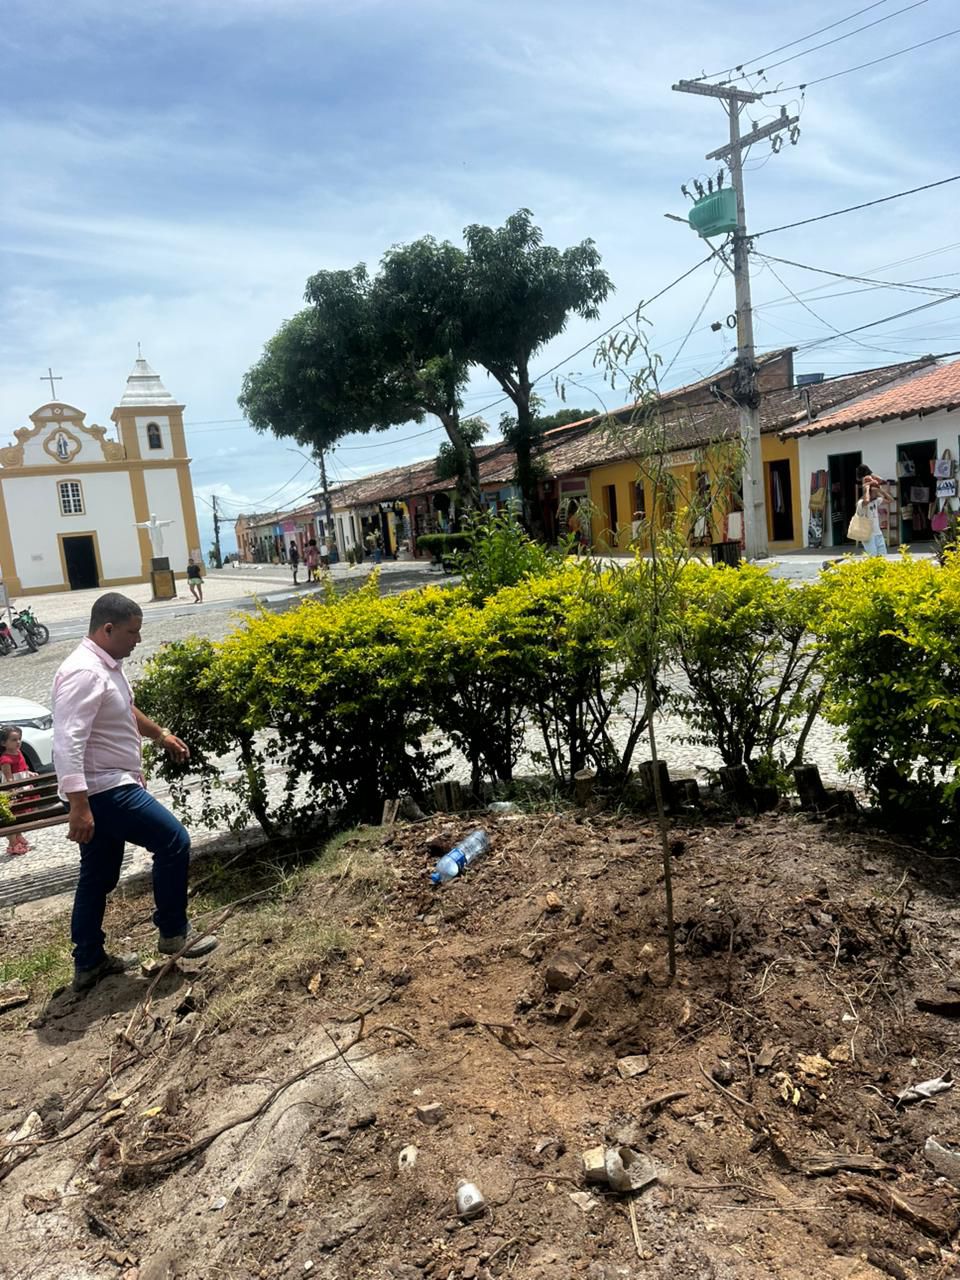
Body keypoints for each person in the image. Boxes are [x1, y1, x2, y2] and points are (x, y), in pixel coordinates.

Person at [52, 592, 218, 994]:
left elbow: (124, 708)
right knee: (172, 840)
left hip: (105, 786)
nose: (137, 640)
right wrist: (78, 805)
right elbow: (66, 741)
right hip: (104, 787)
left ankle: (89, 961)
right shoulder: (84, 672)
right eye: (132, 632)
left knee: (98, 874)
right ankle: (174, 932)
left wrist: (159, 734)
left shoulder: (106, 666)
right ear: (107, 629)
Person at [0, 725, 36, 856]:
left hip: (22, 785)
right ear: (4, 743)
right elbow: (9, 779)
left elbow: (23, 768)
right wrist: (14, 790)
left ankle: (18, 836)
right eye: (14, 740)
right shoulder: (5, 759)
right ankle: (12, 843)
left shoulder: (19, 753)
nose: (18, 742)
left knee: (20, 814)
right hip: (14, 789)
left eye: (19, 739)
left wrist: (29, 773)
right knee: (13, 816)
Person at [855, 463, 894, 557]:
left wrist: (880, 490)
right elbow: (866, 500)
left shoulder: (876, 501)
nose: (877, 494)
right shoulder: (861, 503)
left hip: (878, 533)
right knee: (873, 557)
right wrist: (867, 488)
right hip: (868, 534)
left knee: (882, 557)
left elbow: (891, 500)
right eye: (875, 492)